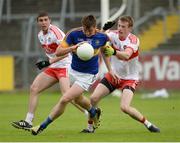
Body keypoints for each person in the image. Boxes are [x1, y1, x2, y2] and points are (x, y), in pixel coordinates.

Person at [30, 14, 112, 135]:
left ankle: (41, 126)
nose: (87, 33)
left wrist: (110, 70)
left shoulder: (102, 36)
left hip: (88, 75)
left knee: (65, 99)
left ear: (95, 27)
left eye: (89, 30)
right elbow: (58, 52)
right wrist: (72, 48)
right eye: (85, 29)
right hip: (73, 71)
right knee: (78, 99)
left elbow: (105, 52)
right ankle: (94, 112)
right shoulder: (73, 34)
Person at [82, 15, 160, 133]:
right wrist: (103, 30)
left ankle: (148, 124)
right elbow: (97, 39)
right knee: (93, 98)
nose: (120, 29)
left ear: (130, 29)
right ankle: (90, 127)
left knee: (124, 107)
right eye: (119, 25)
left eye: (123, 26)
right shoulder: (112, 34)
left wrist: (113, 51)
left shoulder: (134, 40)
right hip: (114, 75)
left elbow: (126, 55)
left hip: (130, 78)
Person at [11, 12, 87, 130]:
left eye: (46, 20)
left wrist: (49, 62)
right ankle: (28, 121)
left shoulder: (56, 33)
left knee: (67, 96)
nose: (43, 22)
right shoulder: (40, 35)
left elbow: (67, 52)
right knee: (34, 88)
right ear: (38, 22)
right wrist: (49, 62)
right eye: (41, 20)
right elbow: (52, 54)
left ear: (50, 21)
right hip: (54, 67)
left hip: (65, 66)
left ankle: (91, 113)